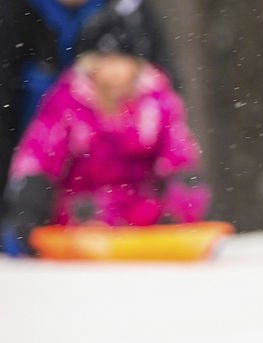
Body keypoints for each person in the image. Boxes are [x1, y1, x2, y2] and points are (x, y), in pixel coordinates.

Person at [1, 4, 207, 256]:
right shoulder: (68, 104)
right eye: (102, 62)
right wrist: (28, 211)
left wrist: (180, 208)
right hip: (81, 213)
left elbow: (179, 155)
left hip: (143, 213)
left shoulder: (156, 102)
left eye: (121, 62)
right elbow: (39, 158)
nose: (113, 72)